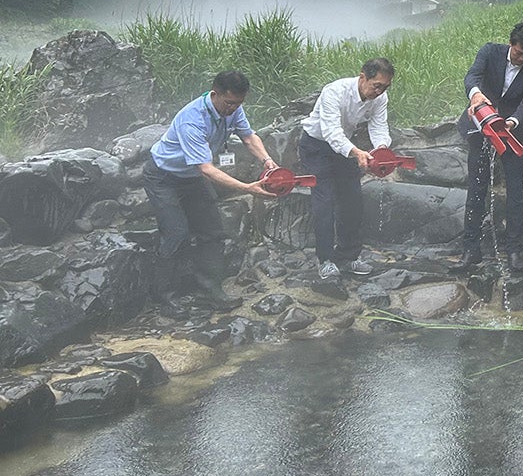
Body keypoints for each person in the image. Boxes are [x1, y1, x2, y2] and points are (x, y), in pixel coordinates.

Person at [144, 70, 278, 314]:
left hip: (191, 176)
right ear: (215, 94)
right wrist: (247, 188)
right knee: (176, 233)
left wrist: (267, 160)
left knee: (212, 231)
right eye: (229, 103)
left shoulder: (233, 108)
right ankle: (164, 297)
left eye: (238, 103)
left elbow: (248, 137)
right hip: (163, 176)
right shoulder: (191, 119)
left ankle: (210, 289)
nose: (233, 109)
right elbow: (206, 169)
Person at [457, 22, 523, 273]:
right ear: (511, 43)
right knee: (477, 186)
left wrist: (512, 121)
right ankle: (470, 249)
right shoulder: (490, 52)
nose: (520, 59)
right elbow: (472, 76)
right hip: (481, 123)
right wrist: (475, 95)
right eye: (518, 53)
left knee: (516, 191)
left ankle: (515, 251)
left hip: (511, 132)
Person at [299, 58, 395, 281]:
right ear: (363, 77)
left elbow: (379, 125)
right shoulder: (334, 91)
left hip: (346, 147)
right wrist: (357, 153)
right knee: (324, 201)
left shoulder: (380, 98)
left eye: (385, 87)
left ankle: (349, 255)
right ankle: (325, 260)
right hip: (316, 145)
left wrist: (381, 150)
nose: (380, 91)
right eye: (377, 85)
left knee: (352, 198)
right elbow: (332, 132)